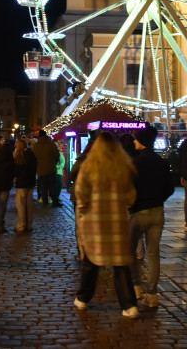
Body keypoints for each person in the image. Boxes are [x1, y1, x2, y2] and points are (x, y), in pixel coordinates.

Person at [73, 132, 139, 318]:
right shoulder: (123, 168)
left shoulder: (88, 167)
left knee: (91, 262)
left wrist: (85, 212)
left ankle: (83, 298)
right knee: (120, 264)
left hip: (93, 224)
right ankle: (129, 305)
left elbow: (81, 195)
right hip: (116, 224)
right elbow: (131, 198)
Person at [129, 125, 173, 309]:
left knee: (129, 250)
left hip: (139, 212)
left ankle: (136, 286)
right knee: (153, 254)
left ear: (142, 141)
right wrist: (158, 198)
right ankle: (152, 294)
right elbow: (169, 188)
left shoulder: (135, 163)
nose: (133, 141)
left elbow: (128, 188)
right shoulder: (161, 162)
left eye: (136, 139)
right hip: (158, 211)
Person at [13, 138, 37, 233]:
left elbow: (17, 169)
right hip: (30, 183)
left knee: (21, 205)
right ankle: (29, 224)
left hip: (22, 183)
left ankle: (21, 225)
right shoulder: (31, 154)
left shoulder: (21, 156)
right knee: (29, 205)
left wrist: (15, 177)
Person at [32, 130, 60, 206]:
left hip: (41, 170)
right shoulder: (51, 144)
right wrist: (54, 162)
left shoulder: (36, 145)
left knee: (44, 187)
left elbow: (33, 158)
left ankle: (45, 202)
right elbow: (57, 155)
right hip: (51, 169)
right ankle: (54, 201)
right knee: (52, 187)